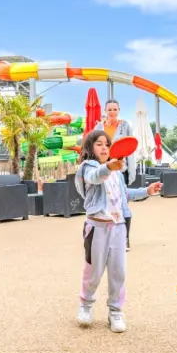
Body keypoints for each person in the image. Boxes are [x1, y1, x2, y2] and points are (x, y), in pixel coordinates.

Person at [74, 130, 162, 333]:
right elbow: (95, 177)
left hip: (119, 227)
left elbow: (125, 195)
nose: (104, 147)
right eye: (99, 144)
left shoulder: (118, 174)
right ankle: (85, 305)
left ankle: (115, 311)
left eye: (107, 144)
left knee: (118, 272)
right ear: (90, 147)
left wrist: (146, 191)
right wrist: (108, 167)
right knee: (93, 272)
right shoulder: (87, 168)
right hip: (97, 226)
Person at [94, 99, 136, 250]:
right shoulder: (99, 127)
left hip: (120, 170)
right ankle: (108, 238)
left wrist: (131, 169)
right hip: (104, 169)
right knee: (105, 203)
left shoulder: (125, 126)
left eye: (115, 109)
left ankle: (125, 239)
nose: (112, 112)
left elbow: (131, 148)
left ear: (119, 110)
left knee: (122, 203)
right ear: (105, 111)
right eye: (109, 109)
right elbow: (94, 148)